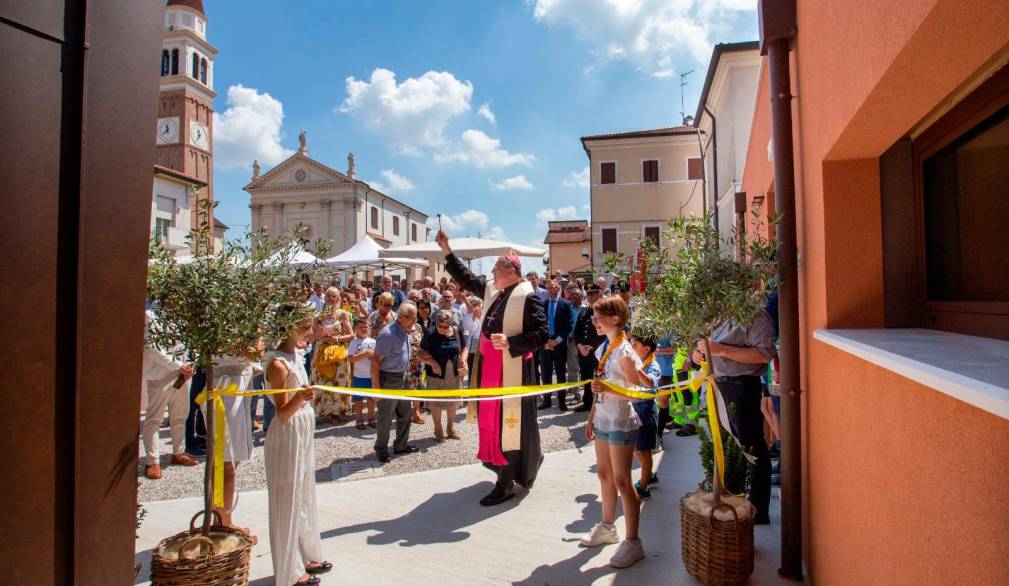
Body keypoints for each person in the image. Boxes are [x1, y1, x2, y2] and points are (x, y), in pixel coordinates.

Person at [437, 230, 549, 507]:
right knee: (498, 425)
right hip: (491, 368)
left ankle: (506, 482)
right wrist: (447, 251)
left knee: (508, 425)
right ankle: (516, 466)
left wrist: (511, 342)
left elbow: (542, 333)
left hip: (513, 370)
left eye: (496, 267)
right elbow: (466, 278)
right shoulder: (494, 291)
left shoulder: (527, 296)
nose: (492, 271)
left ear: (511, 271)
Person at [264, 309, 331, 586]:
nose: (308, 330)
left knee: (304, 493)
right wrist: (302, 398)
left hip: (302, 432)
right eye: (304, 326)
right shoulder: (278, 365)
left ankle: (307, 553)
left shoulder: (297, 357)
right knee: (288, 500)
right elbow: (281, 412)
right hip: (287, 434)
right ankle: (289, 572)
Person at [694, 310, 776, 525]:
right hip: (719, 384)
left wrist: (721, 350)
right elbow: (706, 346)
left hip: (741, 386)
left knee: (750, 447)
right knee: (726, 447)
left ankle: (758, 510)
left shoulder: (754, 315)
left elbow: (765, 354)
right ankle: (733, 503)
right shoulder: (718, 314)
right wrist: (699, 354)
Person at [581, 296, 645, 568]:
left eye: (599, 317)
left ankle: (633, 542)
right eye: (594, 317)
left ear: (616, 319)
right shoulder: (604, 348)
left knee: (622, 481)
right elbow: (599, 385)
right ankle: (607, 527)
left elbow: (639, 391)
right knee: (604, 474)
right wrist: (591, 416)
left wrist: (609, 390)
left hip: (620, 419)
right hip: (604, 419)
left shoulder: (625, 351)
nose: (595, 322)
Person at [141, 309, 198, 479]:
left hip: (184, 373)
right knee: (154, 419)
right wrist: (177, 365)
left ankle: (178, 452)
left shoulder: (185, 310)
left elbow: (193, 341)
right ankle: (152, 461)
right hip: (160, 375)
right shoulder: (150, 314)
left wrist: (191, 364)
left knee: (180, 416)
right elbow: (151, 347)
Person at [372, 301, 419, 463]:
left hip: (403, 376)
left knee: (405, 412)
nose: (414, 322)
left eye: (415, 318)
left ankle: (401, 445)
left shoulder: (404, 330)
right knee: (385, 416)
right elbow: (375, 361)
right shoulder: (388, 334)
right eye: (411, 319)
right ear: (401, 316)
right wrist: (377, 388)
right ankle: (381, 449)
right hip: (389, 378)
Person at [421, 311, 468, 442]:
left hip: (453, 373)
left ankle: (451, 428)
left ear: (450, 324)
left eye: (445, 327)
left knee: (453, 402)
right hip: (435, 374)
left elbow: (464, 348)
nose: (441, 329)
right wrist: (432, 363)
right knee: (436, 403)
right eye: (439, 326)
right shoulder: (430, 333)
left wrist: (463, 360)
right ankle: (438, 430)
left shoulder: (457, 331)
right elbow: (421, 352)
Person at [627, 334, 661, 501]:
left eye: (635, 345)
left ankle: (644, 486)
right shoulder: (636, 362)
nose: (631, 348)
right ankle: (650, 476)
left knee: (644, 450)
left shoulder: (653, 365)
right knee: (635, 447)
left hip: (645, 412)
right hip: (633, 409)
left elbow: (650, 384)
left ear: (646, 349)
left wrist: (636, 368)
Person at [312, 287, 354, 425]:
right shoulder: (318, 315)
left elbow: (351, 335)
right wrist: (317, 332)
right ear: (325, 298)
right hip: (321, 354)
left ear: (338, 299)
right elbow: (311, 337)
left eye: (333, 296)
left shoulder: (343, 314)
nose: (331, 298)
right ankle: (321, 411)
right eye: (329, 296)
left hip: (338, 355)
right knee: (321, 381)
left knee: (337, 382)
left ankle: (336, 413)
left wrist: (336, 339)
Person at [537, 279, 575, 411]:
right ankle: (547, 401)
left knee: (560, 373)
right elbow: (539, 324)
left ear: (558, 288)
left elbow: (569, 325)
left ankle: (562, 402)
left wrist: (557, 340)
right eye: (547, 288)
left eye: (552, 287)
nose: (550, 290)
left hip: (559, 343)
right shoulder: (542, 304)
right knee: (545, 373)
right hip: (546, 344)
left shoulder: (566, 305)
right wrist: (546, 341)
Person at [572, 285, 606, 412]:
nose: (590, 297)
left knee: (600, 377)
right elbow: (577, 332)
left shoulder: (604, 311)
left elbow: (604, 332)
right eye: (589, 294)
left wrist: (591, 346)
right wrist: (580, 346)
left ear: (599, 294)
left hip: (597, 351)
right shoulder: (584, 311)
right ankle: (587, 402)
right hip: (583, 351)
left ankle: (601, 405)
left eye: (593, 294)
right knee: (586, 377)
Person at [347, 319, 377, 430]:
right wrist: (364, 354)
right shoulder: (354, 342)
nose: (364, 329)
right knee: (358, 399)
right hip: (358, 376)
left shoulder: (373, 342)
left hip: (371, 376)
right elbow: (350, 358)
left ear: (369, 328)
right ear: (356, 329)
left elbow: (377, 357)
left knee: (371, 399)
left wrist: (371, 355)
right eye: (361, 327)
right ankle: (359, 419)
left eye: (366, 327)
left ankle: (371, 418)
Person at [565, 285, 586, 398]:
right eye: (572, 294)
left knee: (584, 367)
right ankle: (576, 392)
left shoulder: (586, 308)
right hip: (571, 341)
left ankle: (586, 392)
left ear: (582, 295)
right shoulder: (567, 308)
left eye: (576, 294)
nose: (574, 296)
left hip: (584, 342)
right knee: (573, 367)